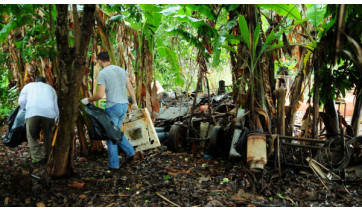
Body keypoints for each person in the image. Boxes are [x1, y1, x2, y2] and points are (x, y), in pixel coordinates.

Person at [81, 51, 138, 170]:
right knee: (115, 132)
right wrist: (135, 103)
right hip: (124, 106)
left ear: (100, 61)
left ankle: (114, 165)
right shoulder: (121, 70)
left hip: (113, 107)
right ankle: (131, 152)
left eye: (98, 62)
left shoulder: (103, 73)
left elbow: (100, 95)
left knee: (111, 136)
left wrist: (88, 100)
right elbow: (131, 87)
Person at [18, 76, 59, 164]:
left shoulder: (28, 86)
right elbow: (56, 105)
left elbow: (21, 101)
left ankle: (37, 158)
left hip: (33, 112)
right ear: (45, 82)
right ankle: (47, 157)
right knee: (48, 135)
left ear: (35, 81)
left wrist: (26, 108)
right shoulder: (51, 89)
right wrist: (56, 118)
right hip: (49, 113)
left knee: (31, 136)